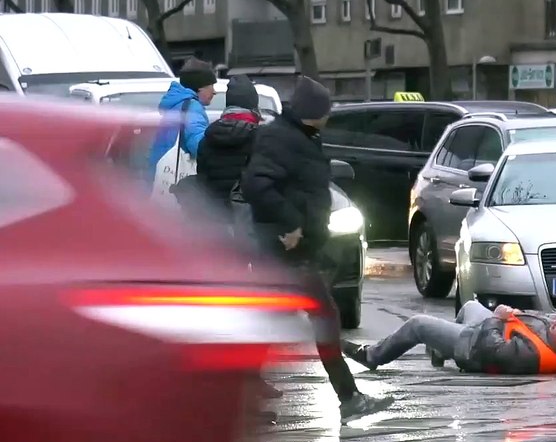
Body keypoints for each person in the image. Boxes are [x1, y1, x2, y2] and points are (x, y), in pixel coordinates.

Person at [241, 76, 393, 422]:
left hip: (294, 250)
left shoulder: (299, 136)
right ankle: (349, 397)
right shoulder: (281, 138)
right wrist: (290, 224)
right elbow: (256, 185)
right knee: (322, 319)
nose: (328, 117)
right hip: (284, 251)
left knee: (271, 323)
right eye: (325, 111)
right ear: (313, 113)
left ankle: (244, 401)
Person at [342, 301, 556, 374]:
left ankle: (372, 356)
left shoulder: (531, 355)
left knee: (417, 324)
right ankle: (440, 347)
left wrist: (497, 316)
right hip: (483, 327)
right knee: (470, 305)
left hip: (471, 347)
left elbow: (489, 348)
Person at [147, 57, 215, 187]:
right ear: (200, 87)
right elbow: (198, 147)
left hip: (161, 172)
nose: (214, 92)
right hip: (180, 180)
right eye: (211, 86)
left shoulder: (176, 104)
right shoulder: (192, 108)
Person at [196, 74, 260, 207]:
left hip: (215, 217)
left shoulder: (207, 138)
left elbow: (202, 182)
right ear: (253, 105)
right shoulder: (259, 138)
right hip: (246, 219)